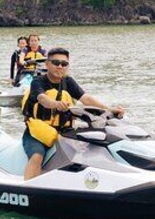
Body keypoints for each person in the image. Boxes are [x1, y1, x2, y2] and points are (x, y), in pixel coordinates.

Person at [21, 47, 125, 180]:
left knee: (88, 148)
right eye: (56, 63)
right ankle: (29, 190)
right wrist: (56, 104)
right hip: (37, 133)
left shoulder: (68, 82)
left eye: (64, 64)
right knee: (37, 155)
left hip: (64, 131)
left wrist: (109, 109)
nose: (60, 67)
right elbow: (42, 99)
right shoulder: (38, 82)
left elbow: (86, 99)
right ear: (47, 64)